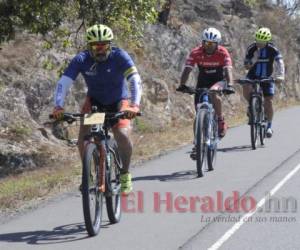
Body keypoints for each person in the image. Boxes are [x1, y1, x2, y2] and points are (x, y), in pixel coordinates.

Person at [52, 24, 142, 195]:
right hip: (95, 103)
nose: (100, 50)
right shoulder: (81, 59)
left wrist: (134, 105)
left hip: (119, 102)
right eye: (95, 46)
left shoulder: (120, 56)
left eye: (104, 45)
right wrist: (58, 105)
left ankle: (125, 174)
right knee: (82, 140)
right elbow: (64, 82)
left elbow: (135, 80)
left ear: (110, 45)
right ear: (89, 47)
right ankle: (89, 175)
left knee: (122, 135)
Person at [177, 27, 234, 143]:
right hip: (203, 82)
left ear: (217, 44)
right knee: (199, 114)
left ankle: (220, 120)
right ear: (202, 42)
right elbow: (187, 69)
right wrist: (182, 85)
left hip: (219, 81)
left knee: (214, 93)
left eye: (212, 44)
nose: (209, 46)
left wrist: (230, 85)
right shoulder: (196, 52)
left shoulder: (223, 52)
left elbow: (228, 70)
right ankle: (197, 142)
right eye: (206, 43)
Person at [243, 27, 285, 138]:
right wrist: (253, 59)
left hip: (267, 76)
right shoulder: (252, 48)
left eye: (262, 42)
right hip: (253, 74)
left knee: (269, 101)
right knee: (245, 86)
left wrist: (280, 75)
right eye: (258, 41)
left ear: (267, 41)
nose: (259, 43)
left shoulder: (272, 49)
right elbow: (246, 65)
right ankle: (251, 106)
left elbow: (280, 62)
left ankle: (269, 126)